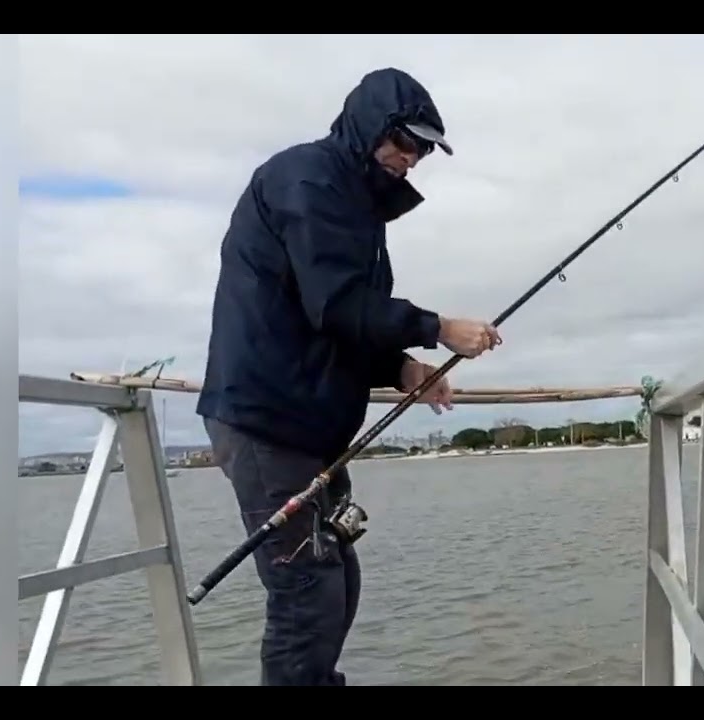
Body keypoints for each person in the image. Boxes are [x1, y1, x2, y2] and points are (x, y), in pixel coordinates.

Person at [195, 67, 501, 686]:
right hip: (266, 420)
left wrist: (401, 367)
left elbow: (340, 320)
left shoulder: (356, 208)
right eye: (405, 141)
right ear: (370, 127)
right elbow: (335, 302)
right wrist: (439, 328)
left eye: (423, 151)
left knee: (338, 579)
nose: (411, 159)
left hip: (310, 428)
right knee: (306, 592)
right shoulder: (307, 180)